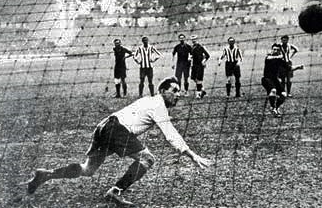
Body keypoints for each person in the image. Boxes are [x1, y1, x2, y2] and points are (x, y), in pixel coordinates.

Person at [27, 77, 212, 206]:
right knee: (148, 159)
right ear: (163, 91)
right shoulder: (158, 104)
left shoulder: (149, 100)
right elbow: (170, 134)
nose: (178, 95)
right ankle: (115, 192)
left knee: (88, 169)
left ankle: (46, 174)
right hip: (116, 130)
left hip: (104, 126)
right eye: (174, 91)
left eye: (179, 91)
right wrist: (192, 155)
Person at [262, 43, 303, 116]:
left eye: (277, 50)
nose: (275, 51)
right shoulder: (268, 57)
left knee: (284, 94)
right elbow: (271, 58)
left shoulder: (280, 60)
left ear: (279, 51)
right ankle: (273, 107)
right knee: (273, 90)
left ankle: (275, 108)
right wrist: (282, 56)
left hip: (275, 79)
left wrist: (298, 67)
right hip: (266, 79)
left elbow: (289, 68)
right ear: (271, 50)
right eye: (274, 49)